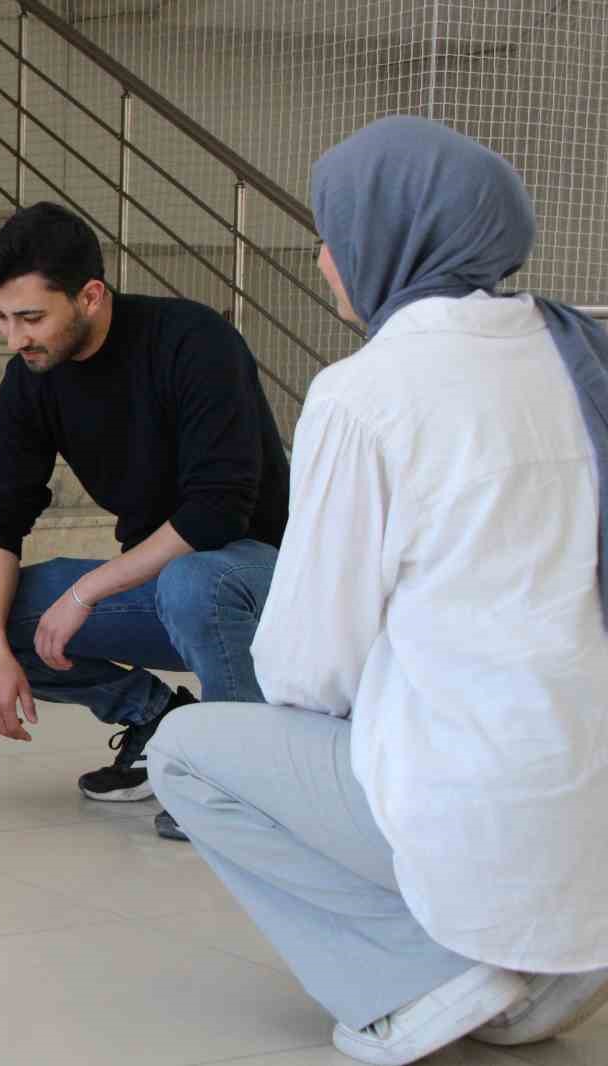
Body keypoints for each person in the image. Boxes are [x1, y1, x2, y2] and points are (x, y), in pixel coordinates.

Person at [149, 116, 608, 1065]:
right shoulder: (579, 351)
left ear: (388, 238)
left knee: (189, 748)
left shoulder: (368, 392)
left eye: (333, 233)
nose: (323, 259)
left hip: (483, 797)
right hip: (589, 790)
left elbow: (305, 663)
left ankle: (422, 973)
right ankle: (553, 957)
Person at [0, 202, 289, 839]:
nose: (15, 339)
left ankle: (245, 779)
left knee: (194, 580)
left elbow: (215, 512)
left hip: (262, 584)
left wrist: (85, 592)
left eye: (31, 317)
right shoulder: (33, 378)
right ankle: (159, 722)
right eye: (2, 319)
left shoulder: (194, 342)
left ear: (90, 296)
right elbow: (2, 516)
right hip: (168, 591)